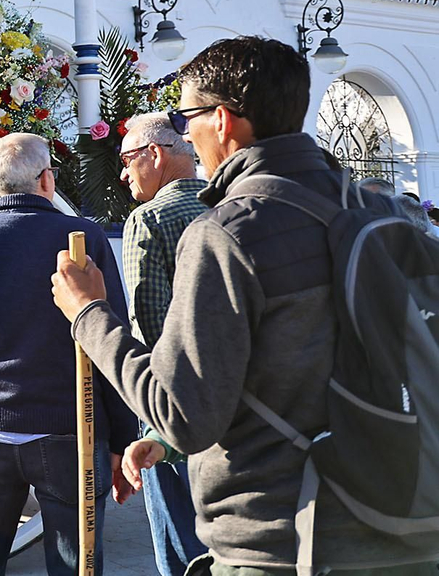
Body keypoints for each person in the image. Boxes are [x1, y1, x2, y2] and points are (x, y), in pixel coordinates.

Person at [53, 36, 434, 573]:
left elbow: (184, 413)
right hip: (401, 518)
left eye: (187, 120)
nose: (188, 134)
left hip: (285, 540)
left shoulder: (230, 234)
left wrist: (88, 314)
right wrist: (164, 440)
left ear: (224, 121)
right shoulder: (375, 211)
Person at [0, 131, 137, 575]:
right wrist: (122, 438)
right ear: (46, 180)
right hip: (69, 429)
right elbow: (109, 339)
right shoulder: (82, 238)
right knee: (74, 564)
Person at [116, 112, 207, 574]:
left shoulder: (149, 219)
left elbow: (148, 329)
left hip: (172, 413)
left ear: (156, 154)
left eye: (129, 158)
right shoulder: (227, 205)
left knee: (181, 549)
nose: (123, 171)